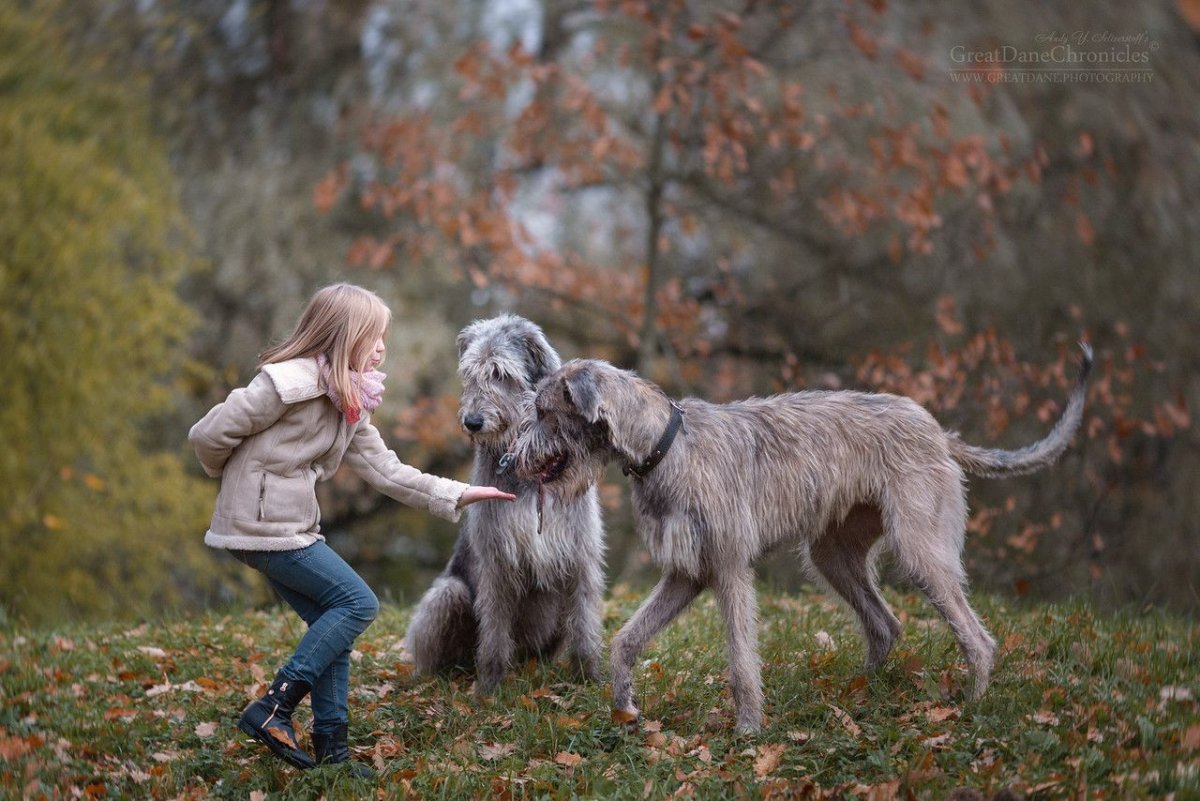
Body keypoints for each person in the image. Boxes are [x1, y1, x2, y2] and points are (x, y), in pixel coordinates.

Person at [188, 283, 514, 775]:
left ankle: (333, 752)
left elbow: (387, 471)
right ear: (342, 335)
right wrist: (243, 484)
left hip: (289, 525)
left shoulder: (349, 399)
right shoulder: (284, 384)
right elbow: (208, 435)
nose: (382, 346)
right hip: (264, 526)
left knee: (332, 625)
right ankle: (276, 704)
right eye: (373, 335)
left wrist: (458, 493)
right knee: (358, 603)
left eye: (384, 336)